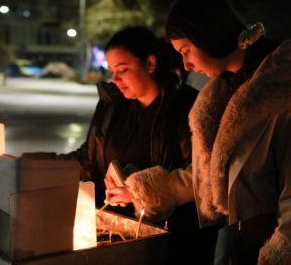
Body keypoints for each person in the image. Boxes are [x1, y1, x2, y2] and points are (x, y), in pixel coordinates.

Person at [105, 0, 291, 264]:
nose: (186, 64)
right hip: (245, 239)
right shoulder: (225, 92)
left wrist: (287, 253)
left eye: (186, 51)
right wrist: (141, 192)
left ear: (206, 36)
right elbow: (211, 174)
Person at [57, 26, 218, 264]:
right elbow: (87, 159)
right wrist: (28, 164)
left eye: (123, 70)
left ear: (150, 64)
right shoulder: (111, 107)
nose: (116, 80)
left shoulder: (189, 108)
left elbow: (203, 175)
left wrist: (138, 192)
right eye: (112, 71)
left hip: (173, 242)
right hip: (118, 236)